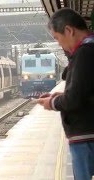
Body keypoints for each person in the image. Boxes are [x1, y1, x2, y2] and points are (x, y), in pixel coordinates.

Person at [37, 8, 94, 180]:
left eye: (57, 38)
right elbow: (85, 91)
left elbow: (75, 98)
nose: (59, 44)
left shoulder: (85, 52)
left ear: (69, 31)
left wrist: (52, 103)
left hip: (86, 135)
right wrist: (56, 97)